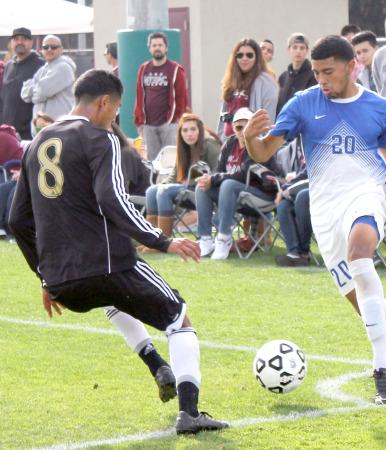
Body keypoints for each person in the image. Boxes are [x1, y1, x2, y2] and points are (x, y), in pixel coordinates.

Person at [9, 69, 228, 434]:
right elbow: (114, 200)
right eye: (116, 111)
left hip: (63, 281)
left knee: (112, 299)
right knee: (179, 319)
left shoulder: (35, 144)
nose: (115, 119)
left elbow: (17, 221)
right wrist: (163, 239)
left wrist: (45, 277)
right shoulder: (99, 138)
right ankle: (189, 413)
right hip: (108, 262)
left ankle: (156, 364)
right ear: (103, 103)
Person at [244, 35, 386, 405]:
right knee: (369, 308)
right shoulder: (304, 104)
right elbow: (263, 152)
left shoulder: (379, 108)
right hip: (324, 213)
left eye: (328, 72)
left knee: (361, 257)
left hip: (365, 197)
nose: (321, 79)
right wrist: (248, 138)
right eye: (317, 72)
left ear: (353, 66)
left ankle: (382, 369)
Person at [197, 107, 280, 260]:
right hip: (235, 195)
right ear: (234, 128)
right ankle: (205, 239)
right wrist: (209, 180)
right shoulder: (230, 144)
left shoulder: (258, 143)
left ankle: (224, 238)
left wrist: (214, 179)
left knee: (228, 184)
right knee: (201, 186)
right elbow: (218, 170)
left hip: (263, 195)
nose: (242, 131)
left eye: (247, 126)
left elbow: (243, 174)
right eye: (239, 127)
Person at [141, 112, 221, 248]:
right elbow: (174, 175)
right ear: (180, 133)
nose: (189, 133)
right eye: (185, 130)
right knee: (152, 191)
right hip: (185, 189)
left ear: (200, 130)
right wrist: (163, 184)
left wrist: (193, 181)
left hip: (204, 191)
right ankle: (152, 241)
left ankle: (164, 243)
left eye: (193, 129)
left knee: (164, 192)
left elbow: (218, 172)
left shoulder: (210, 145)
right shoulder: (183, 148)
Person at [134, 31, 188, 162]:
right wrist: (139, 121)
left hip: (169, 124)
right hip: (148, 125)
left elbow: (182, 98)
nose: (157, 48)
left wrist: (175, 120)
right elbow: (139, 95)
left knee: (169, 161)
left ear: (166, 48)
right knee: (153, 162)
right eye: (154, 45)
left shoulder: (175, 69)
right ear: (149, 48)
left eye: (160, 45)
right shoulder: (143, 69)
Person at [217, 38, 278, 141]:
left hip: (251, 145)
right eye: (240, 55)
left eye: (249, 55)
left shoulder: (267, 82)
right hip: (228, 144)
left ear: (257, 57)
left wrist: (259, 146)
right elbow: (223, 115)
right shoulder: (231, 80)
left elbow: (267, 121)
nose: (244, 58)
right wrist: (221, 139)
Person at [21, 35, 76, 136]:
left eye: (54, 47)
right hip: (42, 131)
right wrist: (38, 90)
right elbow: (25, 94)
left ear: (61, 50)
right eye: (46, 47)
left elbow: (42, 92)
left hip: (60, 131)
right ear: (41, 50)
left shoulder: (64, 67)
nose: (49, 49)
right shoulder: (42, 69)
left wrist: (36, 89)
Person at [0, 27, 44, 140]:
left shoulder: (41, 65)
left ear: (31, 42)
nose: (20, 42)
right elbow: (3, 98)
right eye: (16, 39)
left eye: (24, 39)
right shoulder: (9, 66)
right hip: (7, 133)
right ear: (11, 43)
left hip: (29, 134)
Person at [274, 168, 312, 267]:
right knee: (283, 205)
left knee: (302, 196)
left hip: (330, 190)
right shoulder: (310, 155)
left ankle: (304, 252)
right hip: (307, 188)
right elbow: (304, 174)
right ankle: (293, 252)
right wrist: (283, 189)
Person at [277, 33, 317, 114]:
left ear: (307, 51)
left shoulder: (313, 75)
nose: (298, 51)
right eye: (295, 47)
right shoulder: (283, 77)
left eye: (302, 48)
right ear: (288, 50)